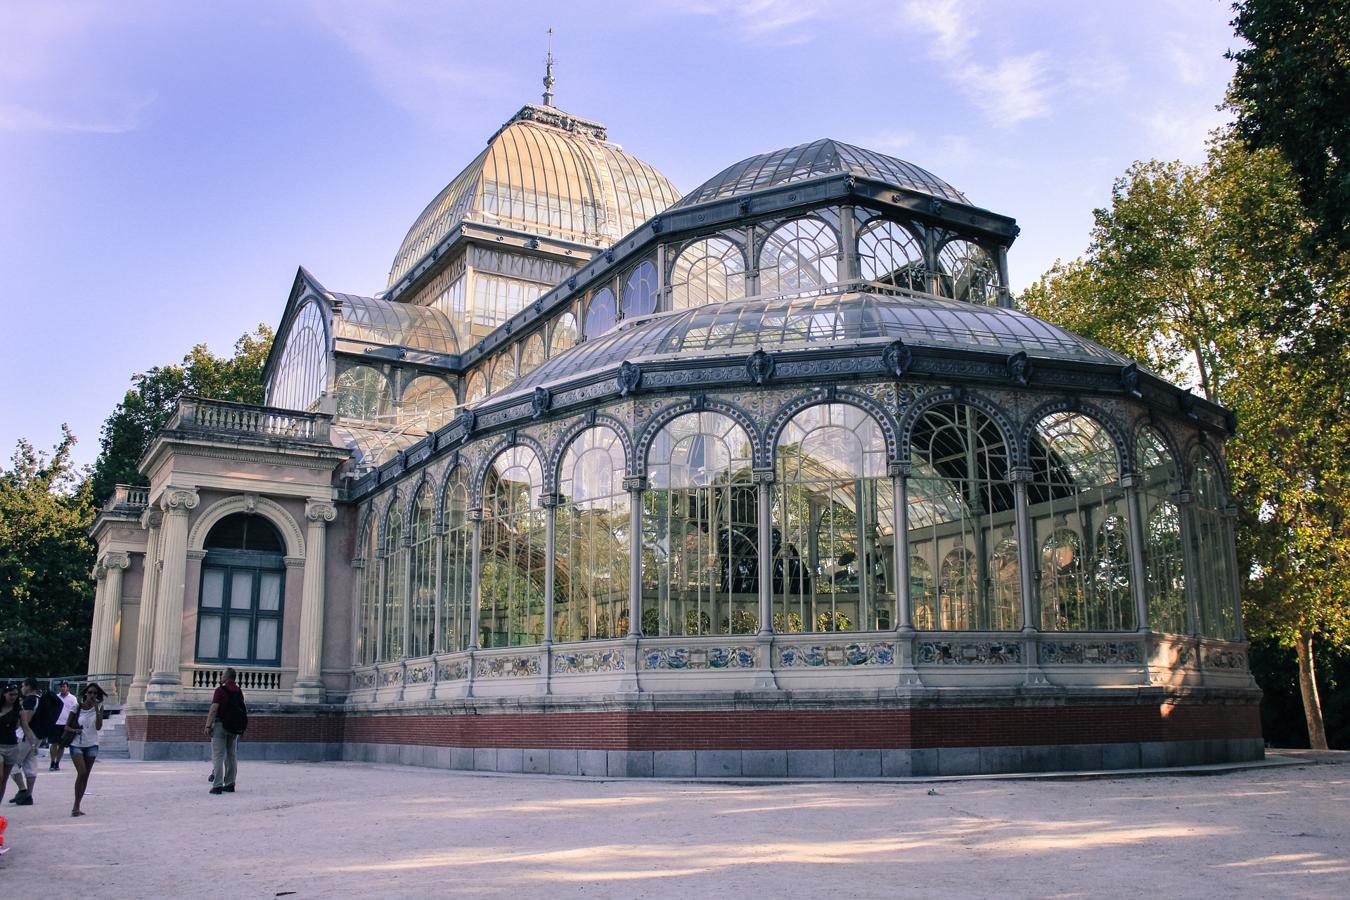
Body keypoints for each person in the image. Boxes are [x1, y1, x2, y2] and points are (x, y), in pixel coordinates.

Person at [67, 683, 105, 817]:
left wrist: (97, 710)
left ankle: (77, 805)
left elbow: (99, 727)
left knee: (86, 775)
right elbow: (66, 727)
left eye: (95, 693)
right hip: (77, 743)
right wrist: (75, 730)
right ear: (85, 694)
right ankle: (75, 806)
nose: (92, 695)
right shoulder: (76, 707)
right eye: (90, 693)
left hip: (92, 744)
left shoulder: (99, 707)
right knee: (81, 772)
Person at [204, 668, 243, 795]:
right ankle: (230, 783)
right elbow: (242, 710)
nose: (221, 676)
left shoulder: (220, 691)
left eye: (222, 674)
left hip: (220, 725)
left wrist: (208, 725)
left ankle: (217, 785)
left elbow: (214, 708)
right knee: (232, 755)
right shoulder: (238, 691)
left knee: (218, 756)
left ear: (227, 676)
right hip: (234, 727)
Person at [6, 678, 41, 806]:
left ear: (29, 687)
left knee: (10, 764)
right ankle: (28, 795)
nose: (21, 688)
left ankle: (22, 790)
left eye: (23, 686)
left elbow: (25, 722)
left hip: (25, 737)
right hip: (36, 737)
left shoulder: (30, 701)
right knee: (30, 765)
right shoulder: (39, 699)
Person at [0, 684, 27, 805]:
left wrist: (32, 744)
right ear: (4, 694)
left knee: (4, 780)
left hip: (12, 746)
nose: (13, 697)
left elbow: (25, 727)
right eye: (11, 694)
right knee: (0, 777)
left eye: (16, 694)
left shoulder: (19, 710)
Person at [48, 681, 79, 771]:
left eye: (64, 686)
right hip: (55, 723)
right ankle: (52, 761)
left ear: (67, 688)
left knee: (62, 745)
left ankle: (57, 762)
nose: (62, 688)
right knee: (54, 743)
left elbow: (75, 711)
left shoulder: (72, 698)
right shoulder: (56, 697)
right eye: (61, 687)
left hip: (66, 724)